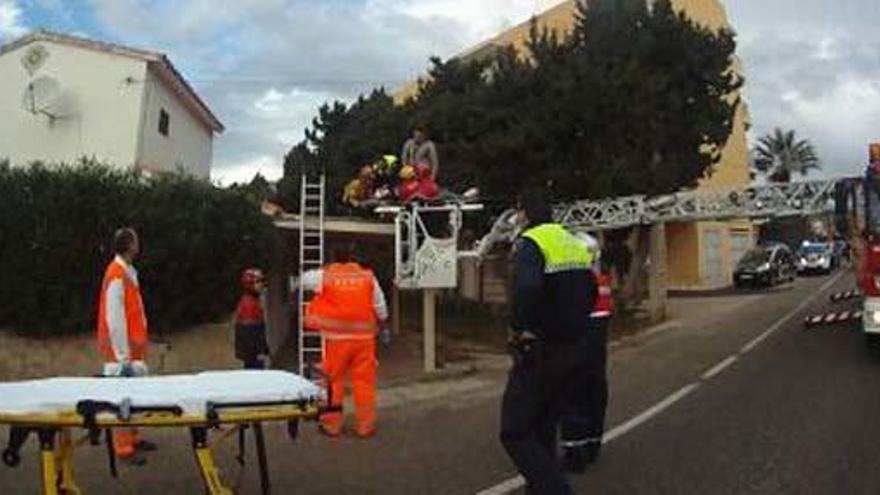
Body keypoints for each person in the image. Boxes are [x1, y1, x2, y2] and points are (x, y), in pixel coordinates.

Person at [500, 190, 597, 495]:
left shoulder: (533, 243)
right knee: (543, 425)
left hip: (542, 349)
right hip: (576, 346)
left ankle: (555, 489)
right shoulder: (572, 242)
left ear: (525, 215)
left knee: (514, 430)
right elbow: (592, 289)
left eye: (518, 214)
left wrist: (519, 327)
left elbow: (526, 289)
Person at [302, 244, 391, 438]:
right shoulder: (367, 276)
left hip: (336, 339)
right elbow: (380, 304)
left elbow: (303, 280)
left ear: (334, 258)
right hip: (364, 339)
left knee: (334, 381)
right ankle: (365, 426)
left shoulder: (325, 275)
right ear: (353, 259)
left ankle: (332, 425)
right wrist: (383, 323)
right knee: (364, 382)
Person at [95, 227, 156, 465]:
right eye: (136, 240)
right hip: (122, 353)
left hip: (132, 350)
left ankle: (133, 437)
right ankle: (124, 448)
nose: (139, 244)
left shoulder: (127, 271)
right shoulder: (116, 273)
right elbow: (115, 318)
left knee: (134, 397)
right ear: (130, 245)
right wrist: (122, 357)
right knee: (123, 398)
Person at [560, 233, 612, 473]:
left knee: (573, 395)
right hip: (597, 348)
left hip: (578, 345)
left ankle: (575, 451)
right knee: (595, 392)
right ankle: (592, 444)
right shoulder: (600, 280)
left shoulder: (580, 282)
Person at [235, 268, 270, 369]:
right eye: (258, 281)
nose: (261, 284)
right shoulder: (248, 304)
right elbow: (250, 332)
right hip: (253, 356)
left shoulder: (252, 301)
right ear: (250, 284)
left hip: (252, 354)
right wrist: (260, 351)